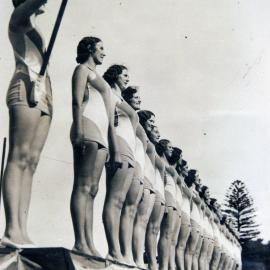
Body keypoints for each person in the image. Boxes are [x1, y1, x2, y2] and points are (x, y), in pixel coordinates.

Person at [2, 0, 52, 248]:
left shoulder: (32, 25)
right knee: (19, 156)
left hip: (43, 92)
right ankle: (12, 228)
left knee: (31, 162)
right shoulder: (18, 18)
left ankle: (22, 229)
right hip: (25, 87)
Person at [70, 37, 121, 256]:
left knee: (93, 189)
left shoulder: (100, 78)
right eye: (100, 48)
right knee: (82, 186)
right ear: (90, 49)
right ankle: (80, 241)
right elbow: (76, 100)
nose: (104, 53)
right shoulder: (82, 69)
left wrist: (113, 146)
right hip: (87, 128)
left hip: (101, 134)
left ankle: (89, 243)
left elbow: (111, 119)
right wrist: (79, 130)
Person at [103, 65, 139, 264]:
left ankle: (121, 253)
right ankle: (113, 250)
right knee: (115, 199)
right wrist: (114, 149)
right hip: (119, 145)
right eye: (125, 75)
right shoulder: (110, 94)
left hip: (130, 150)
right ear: (115, 76)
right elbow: (109, 122)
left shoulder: (122, 99)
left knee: (121, 202)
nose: (127, 78)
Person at [133, 110, 157, 269]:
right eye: (151, 122)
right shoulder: (138, 130)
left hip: (150, 182)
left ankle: (145, 260)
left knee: (145, 223)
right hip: (141, 175)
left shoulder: (148, 139)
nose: (154, 126)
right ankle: (136, 258)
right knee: (138, 221)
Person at [156, 139, 178, 270]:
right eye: (169, 147)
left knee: (169, 235)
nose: (171, 149)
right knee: (165, 233)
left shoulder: (167, 163)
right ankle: (163, 267)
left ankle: (167, 266)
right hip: (166, 197)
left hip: (172, 199)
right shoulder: (161, 160)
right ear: (163, 148)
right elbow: (162, 181)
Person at [175, 160, 193, 270]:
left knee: (180, 244)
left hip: (183, 213)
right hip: (178, 209)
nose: (187, 170)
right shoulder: (180, 179)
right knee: (178, 244)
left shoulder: (184, 183)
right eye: (185, 167)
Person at [184, 170, 202, 270]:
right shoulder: (191, 188)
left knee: (193, 251)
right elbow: (190, 205)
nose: (199, 179)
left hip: (197, 222)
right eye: (197, 176)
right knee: (189, 250)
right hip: (191, 219)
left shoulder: (196, 191)